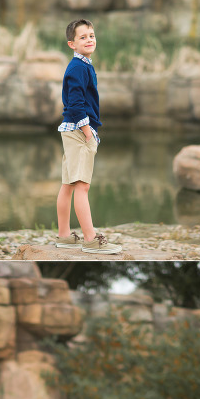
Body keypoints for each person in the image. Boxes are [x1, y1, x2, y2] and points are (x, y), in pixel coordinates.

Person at [55, 19, 121, 254]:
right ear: (71, 44)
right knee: (81, 187)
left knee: (69, 184)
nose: (89, 40)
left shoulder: (83, 65)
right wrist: (88, 134)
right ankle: (91, 240)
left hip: (70, 131)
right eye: (83, 37)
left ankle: (64, 236)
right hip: (78, 131)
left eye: (91, 35)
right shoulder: (78, 68)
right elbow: (75, 105)